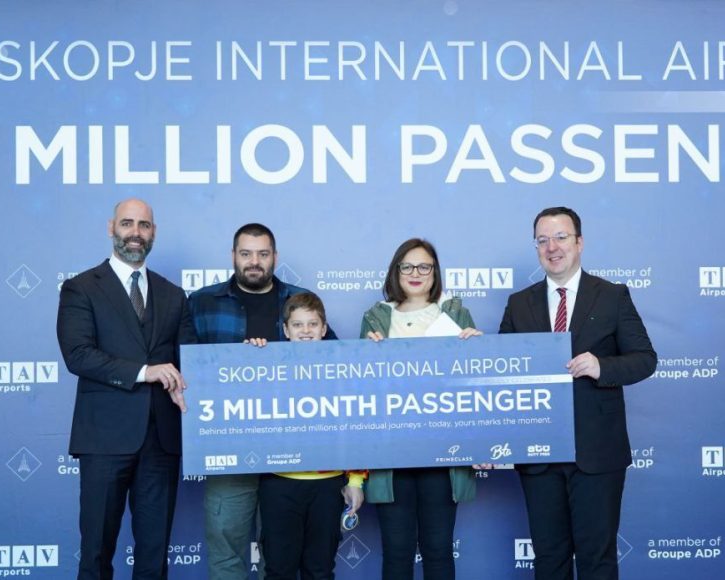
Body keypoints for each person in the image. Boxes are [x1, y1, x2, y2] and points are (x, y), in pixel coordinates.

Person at [498, 207, 656, 580]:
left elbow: (645, 359)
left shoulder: (612, 295)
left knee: (597, 560)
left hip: (597, 453)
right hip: (539, 455)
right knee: (549, 560)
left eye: (561, 237)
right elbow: (502, 373)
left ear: (579, 242)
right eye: (542, 240)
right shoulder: (519, 303)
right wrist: (474, 348)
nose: (552, 247)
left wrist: (603, 367)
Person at [57, 198, 196, 580]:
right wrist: (145, 372)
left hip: (161, 442)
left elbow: (190, 360)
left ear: (154, 232)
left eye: (144, 225)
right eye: (127, 223)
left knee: (154, 557)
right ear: (111, 228)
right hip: (103, 440)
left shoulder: (173, 294)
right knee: (96, 553)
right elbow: (78, 355)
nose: (136, 233)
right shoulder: (80, 288)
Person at [188, 223, 336, 580]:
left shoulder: (300, 301)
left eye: (263, 254)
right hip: (229, 450)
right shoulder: (202, 303)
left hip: (289, 458)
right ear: (233, 256)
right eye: (246, 253)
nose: (254, 261)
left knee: (279, 562)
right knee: (226, 552)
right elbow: (185, 368)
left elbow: (333, 365)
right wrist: (236, 365)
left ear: (275, 257)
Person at [360, 238, 482, 580]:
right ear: (396, 271)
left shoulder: (455, 314)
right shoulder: (375, 318)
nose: (416, 273)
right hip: (391, 456)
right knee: (396, 553)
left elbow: (474, 384)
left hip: (443, 454)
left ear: (435, 272)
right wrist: (366, 355)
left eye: (424, 266)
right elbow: (362, 390)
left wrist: (478, 349)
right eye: (407, 266)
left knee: (438, 550)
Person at [255, 292, 366, 580]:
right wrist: (247, 358)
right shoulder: (265, 370)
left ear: (324, 329)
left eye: (313, 324)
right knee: (278, 570)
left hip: (328, 485)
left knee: (320, 570)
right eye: (298, 325)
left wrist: (355, 480)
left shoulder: (343, 374)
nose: (305, 331)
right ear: (286, 330)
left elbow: (355, 429)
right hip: (279, 482)